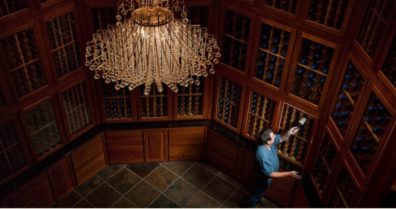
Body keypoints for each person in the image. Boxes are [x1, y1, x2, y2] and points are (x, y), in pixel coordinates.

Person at [247, 127, 302, 208]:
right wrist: (289, 173)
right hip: (264, 177)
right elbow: (271, 174)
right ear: (268, 142)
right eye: (273, 137)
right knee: (258, 191)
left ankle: (258, 198)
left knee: (262, 190)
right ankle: (251, 205)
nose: (275, 137)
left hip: (267, 175)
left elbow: (282, 138)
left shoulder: (269, 141)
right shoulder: (262, 154)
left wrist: (289, 132)